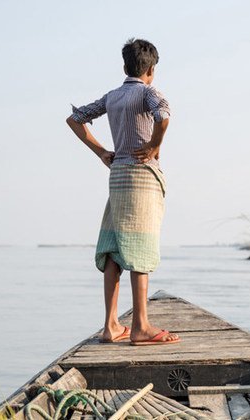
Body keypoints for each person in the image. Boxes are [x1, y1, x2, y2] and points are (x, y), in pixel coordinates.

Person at [65, 38, 180, 346]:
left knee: (114, 246)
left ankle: (111, 325)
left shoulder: (113, 96)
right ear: (151, 69)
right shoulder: (149, 93)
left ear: (125, 66)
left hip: (117, 176)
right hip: (141, 177)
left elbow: (74, 119)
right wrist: (155, 145)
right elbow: (164, 117)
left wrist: (102, 152)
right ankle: (141, 326)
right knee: (141, 245)